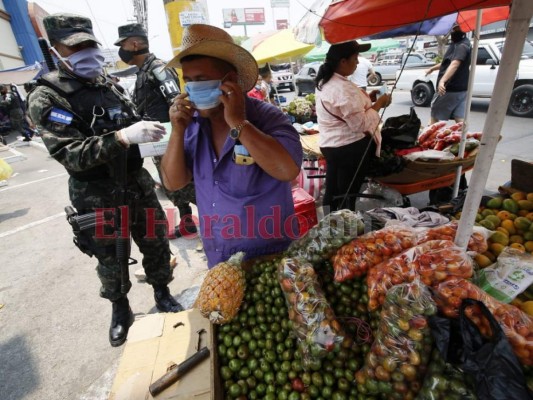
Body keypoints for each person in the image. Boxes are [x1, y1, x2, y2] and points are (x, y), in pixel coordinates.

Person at [27, 13, 183, 348]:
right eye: (75, 47)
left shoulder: (108, 84)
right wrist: (123, 138)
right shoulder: (47, 96)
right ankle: (120, 309)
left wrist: (149, 130)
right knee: (110, 257)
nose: (86, 53)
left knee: (155, 242)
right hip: (95, 192)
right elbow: (70, 154)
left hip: (136, 182)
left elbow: (129, 119)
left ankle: (162, 291)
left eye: (89, 45)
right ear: (56, 50)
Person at [160, 24, 303, 268]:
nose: (193, 87)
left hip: (269, 258)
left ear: (231, 80)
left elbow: (287, 170)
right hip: (219, 255)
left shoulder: (267, 118)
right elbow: (173, 182)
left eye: (202, 79)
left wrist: (238, 123)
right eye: (189, 81)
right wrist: (177, 130)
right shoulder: (191, 123)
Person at [115, 23, 197, 238]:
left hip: (170, 138)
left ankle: (217, 215)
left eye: (122, 44)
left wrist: (178, 138)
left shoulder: (157, 69)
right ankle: (187, 221)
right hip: (156, 141)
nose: (121, 50)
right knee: (170, 184)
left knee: (184, 183)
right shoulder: (143, 72)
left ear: (134, 44)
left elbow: (175, 102)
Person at [315, 41, 391, 213]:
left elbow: (346, 110)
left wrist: (369, 99)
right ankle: (345, 226)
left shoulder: (325, 82)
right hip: (350, 148)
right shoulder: (343, 88)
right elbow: (360, 124)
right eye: (355, 58)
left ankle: (329, 222)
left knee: (334, 188)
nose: (358, 62)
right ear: (343, 61)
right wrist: (378, 104)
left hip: (330, 145)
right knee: (348, 192)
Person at [426, 23, 472, 124]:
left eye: (456, 28)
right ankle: (465, 138)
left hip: (450, 88)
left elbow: (455, 64)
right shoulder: (457, 44)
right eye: (453, 28)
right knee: (459, 118)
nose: (453, 31)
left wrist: (442, 81)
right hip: (462, 89)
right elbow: (447, 63)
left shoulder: (462, 46)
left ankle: (429, 136)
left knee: (434, 114)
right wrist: (432, 68)